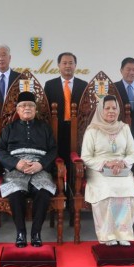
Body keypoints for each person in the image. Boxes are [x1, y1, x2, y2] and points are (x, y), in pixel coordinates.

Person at [0, 92, 57, 248]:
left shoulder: (45, 128)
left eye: (30, 105)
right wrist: (16, 163)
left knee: (43, 193)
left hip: (39, 169)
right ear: (17, 109)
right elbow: (0, 150)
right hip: (16, 169)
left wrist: (41, 164)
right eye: (23, 106)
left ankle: (36, 233)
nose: (27, 108)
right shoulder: (9, 128)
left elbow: (53, 150)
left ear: (36, 109)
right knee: (15, 193)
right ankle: (21, 233)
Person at [81, 95, 134, 246]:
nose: (111, 111)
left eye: (114, 108)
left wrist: (122, 162)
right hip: (99, 169)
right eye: (107, 108)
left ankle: (123, 233)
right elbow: (86, 157)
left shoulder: (124, 128)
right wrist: (106, 163)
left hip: (121, 168)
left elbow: (133, 153)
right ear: (101, 110)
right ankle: (108, 234)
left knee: (128, 189)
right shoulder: (92, 130)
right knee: (107, 190)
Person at [44, 52, 88, 182]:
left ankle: (72, 198)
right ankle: (57, 193)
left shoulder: (83, 85)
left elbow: (87, 109)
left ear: (75, 65)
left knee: (75, 163)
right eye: (64, 63)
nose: (67, 66)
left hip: (77, 131)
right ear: (58, 65)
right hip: (56, 129)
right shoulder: (50, 85)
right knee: (56, 163)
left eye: (71, 63)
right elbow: (45, 109)